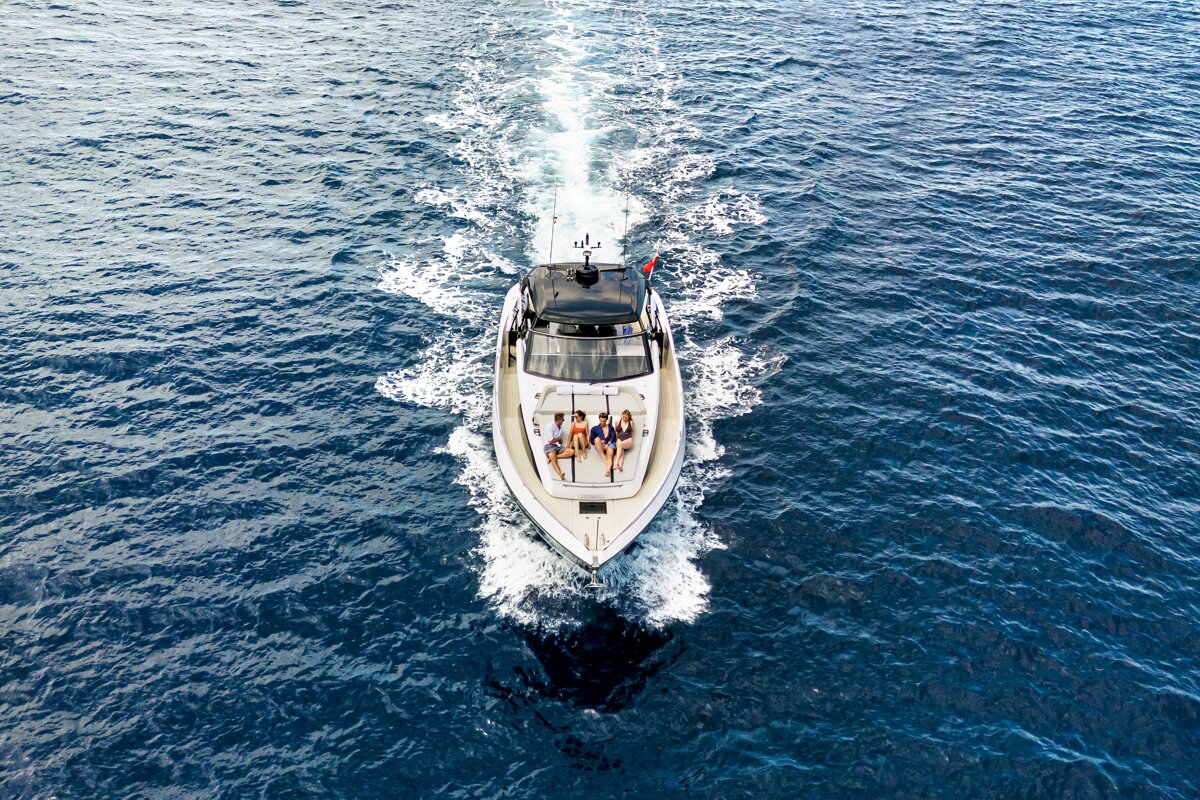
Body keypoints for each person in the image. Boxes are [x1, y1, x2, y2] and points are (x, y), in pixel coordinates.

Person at [543, 412, 574, 480]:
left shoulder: (560, 426)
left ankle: (552, 457)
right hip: (549, 446)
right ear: (559, 420)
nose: (564, 420)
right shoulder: (549, 426)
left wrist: (559, 441)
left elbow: (556, 438)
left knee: (571, 452)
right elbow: (550, 441)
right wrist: (559, 439)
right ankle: (560, 474)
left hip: (557, 446)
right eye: (563, 419)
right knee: (554, 461)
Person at [590, 412, 617, 477]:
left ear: (606, 420)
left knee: (610, 455)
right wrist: (599, 441)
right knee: (596, 439)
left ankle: (608, 470)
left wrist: (609, 443)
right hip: (600, 446)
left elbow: (613, 436)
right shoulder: (594, 428)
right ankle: (605, 459)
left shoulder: (611, 427)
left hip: (609, 445)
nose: (602, 422)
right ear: (599, 419)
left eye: (604, 421)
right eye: (601, 421)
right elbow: (591, 440)